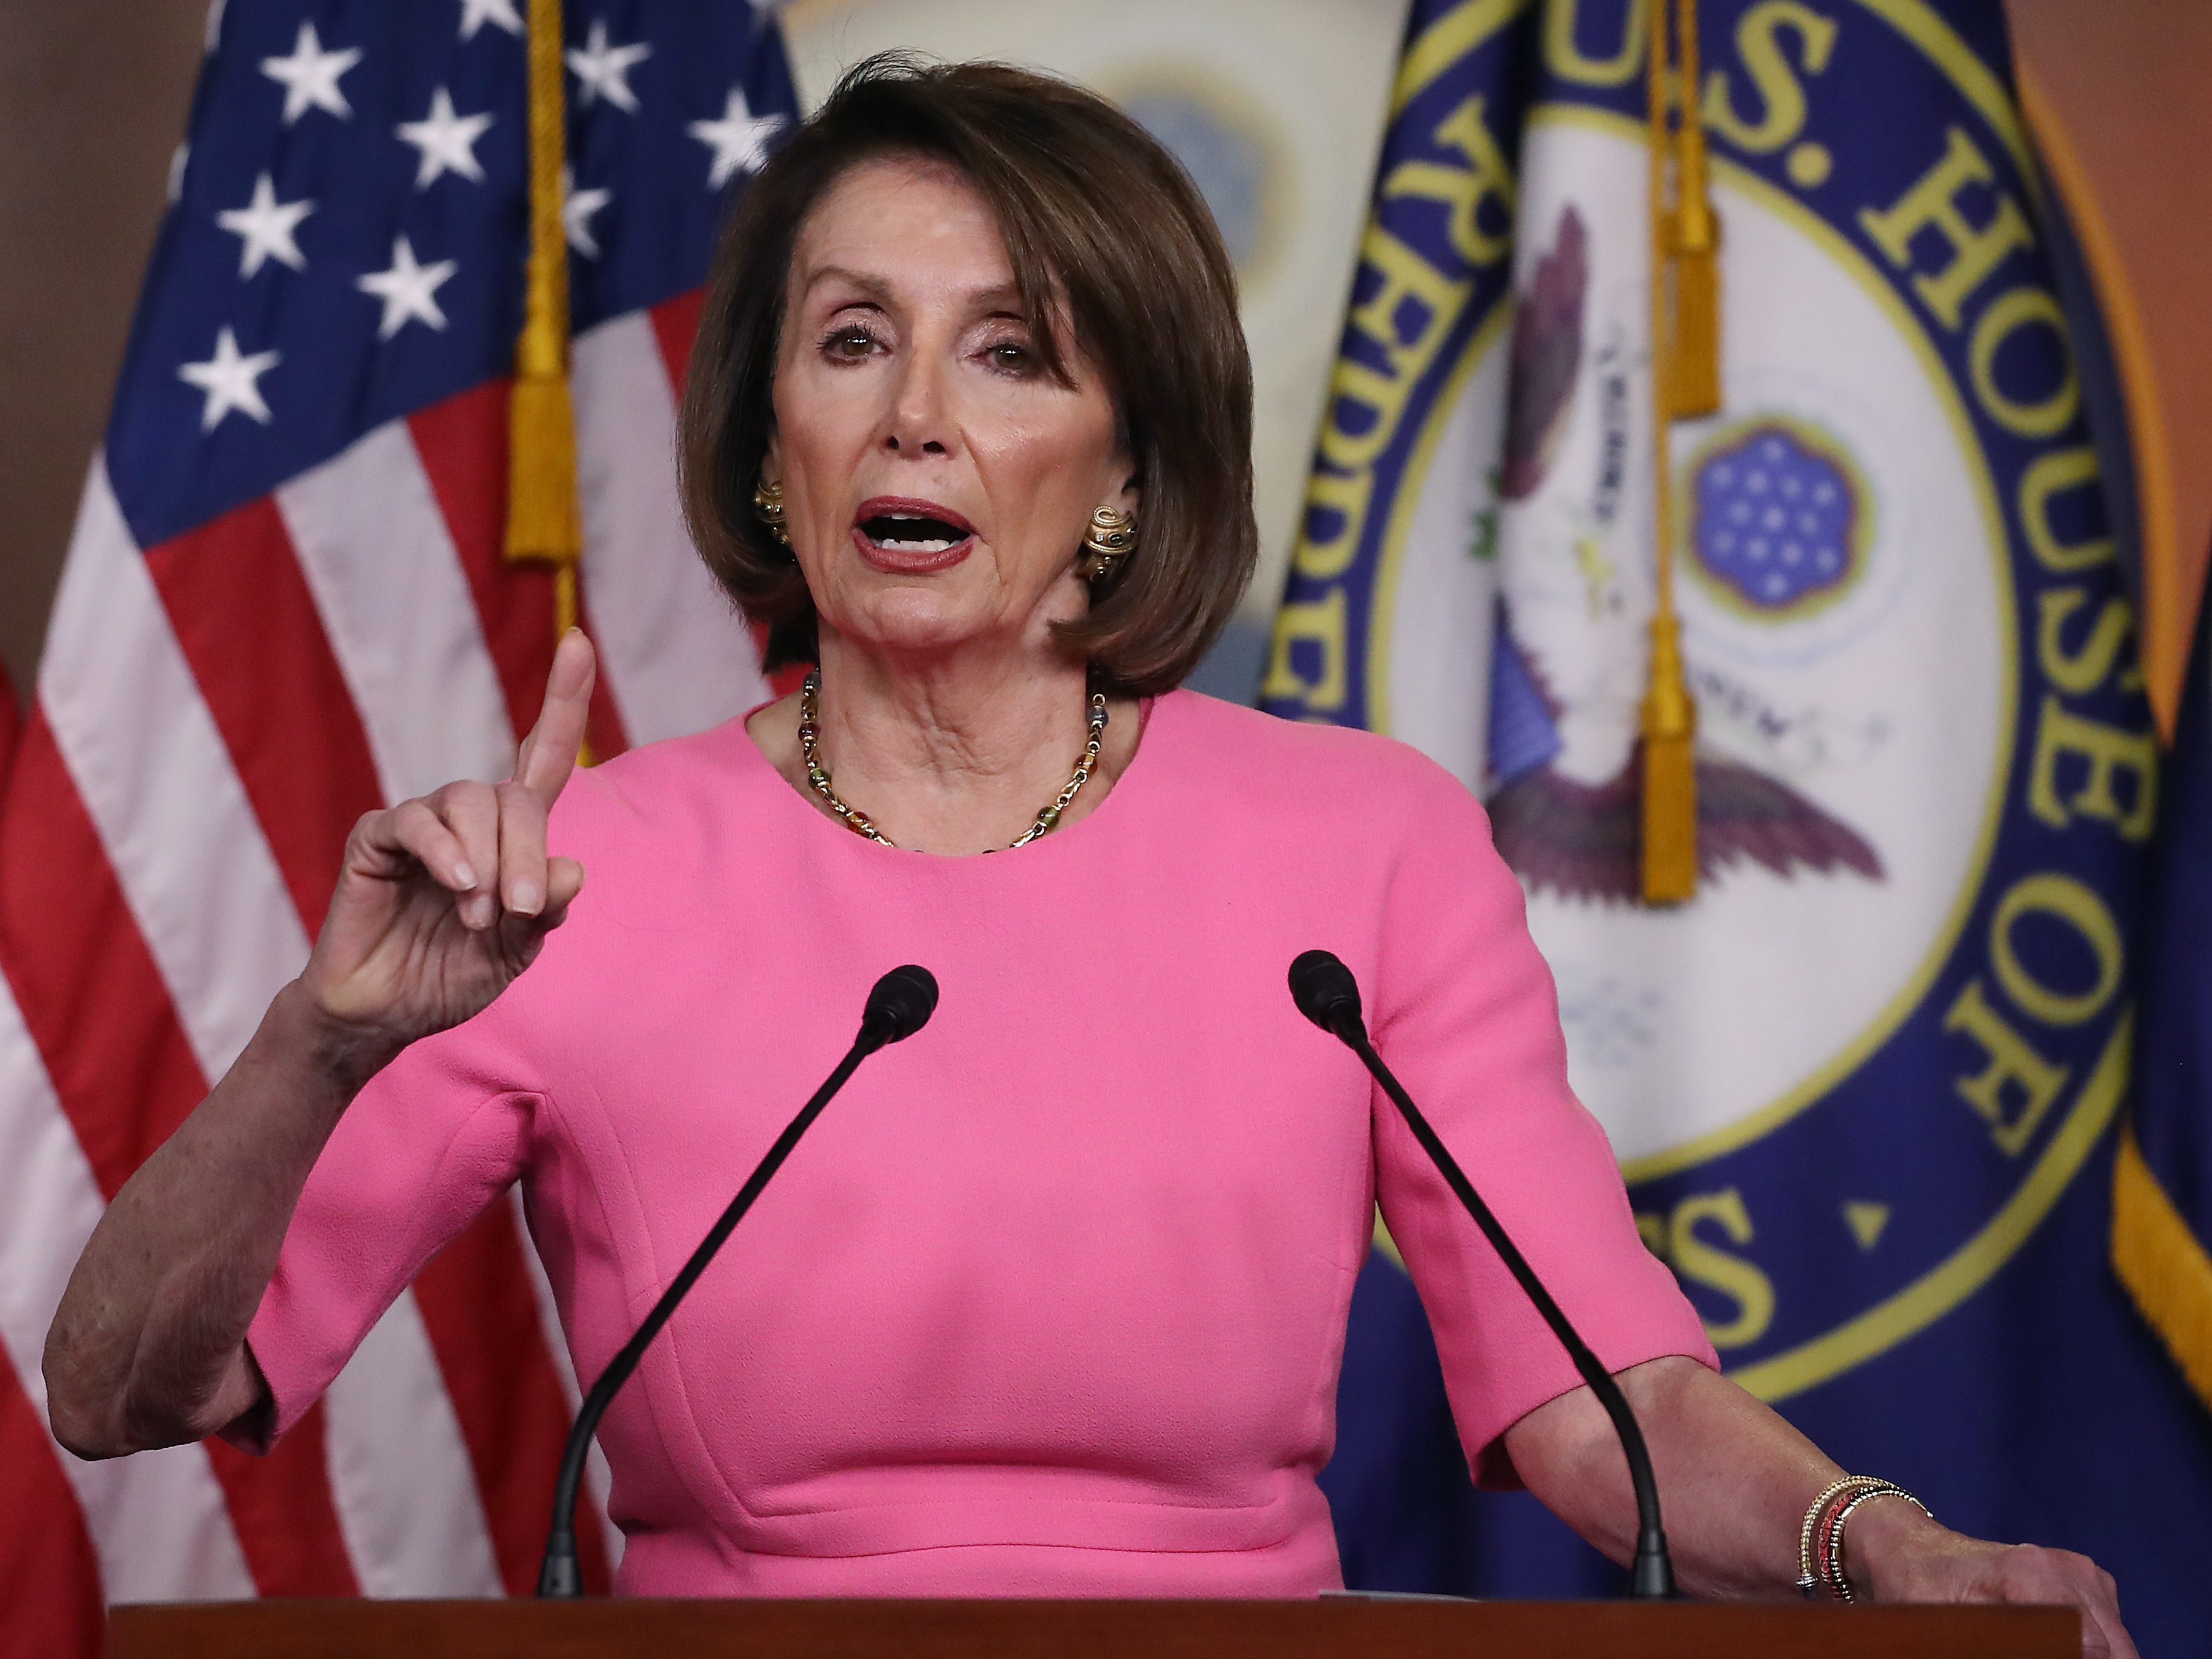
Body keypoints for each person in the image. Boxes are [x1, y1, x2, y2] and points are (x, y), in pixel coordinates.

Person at [45, 55, 2129, 1650]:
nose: (914, 413)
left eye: (1011, 349)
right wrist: (322, 1044)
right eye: (850, 339)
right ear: (771, 446)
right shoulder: (573, 878)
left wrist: (1879, 1545)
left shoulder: (1362, 850)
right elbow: (124, 1388)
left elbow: (1607, 1406)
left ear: (1126, 463)